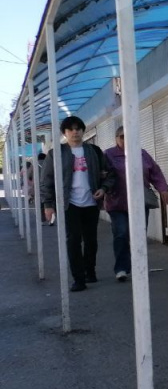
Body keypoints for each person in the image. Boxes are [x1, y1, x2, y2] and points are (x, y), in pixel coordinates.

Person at [40, 115, 116, 292]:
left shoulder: (94, 151)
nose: (75, 132)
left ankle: (90, 271)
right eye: (70, 129)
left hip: (91, 202)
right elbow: (47, 181)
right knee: (73, 240)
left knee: (91, 240)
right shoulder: (56, 154)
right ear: (65, 133)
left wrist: (103, 189)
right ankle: (78, 279)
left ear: (83, 131)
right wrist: (48, 204)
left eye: (78, 128)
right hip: (69, 204)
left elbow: (110, 174)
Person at [104, 126, 168, 282]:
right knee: (121, 234)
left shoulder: (142, 154)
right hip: (117, 203)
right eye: (122, 137)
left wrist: (163, 189)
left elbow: (155, 172)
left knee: (139, 234)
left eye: (128, 136)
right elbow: (103, 176)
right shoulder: (108, 155)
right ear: (116, 139)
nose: (125, 140)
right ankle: (121, 268)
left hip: (140, 203)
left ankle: (138, 265)